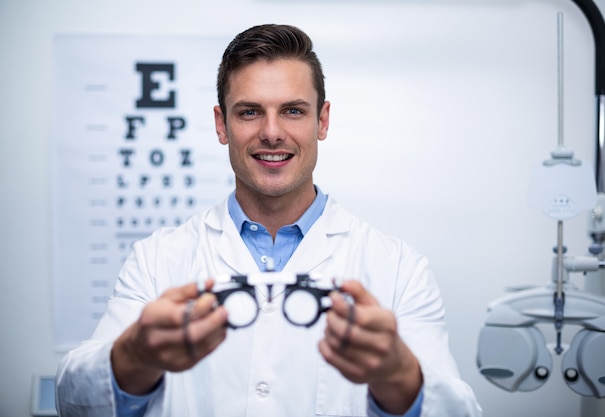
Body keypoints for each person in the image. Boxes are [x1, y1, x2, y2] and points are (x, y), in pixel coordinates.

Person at [55, 24, 482, 417]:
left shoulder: (399, 269)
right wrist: (135, 355)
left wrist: (398, 376)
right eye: (249, 112)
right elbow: (75, 401)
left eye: (293, 111)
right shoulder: (157, 259)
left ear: (323, 120)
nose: (272, 132)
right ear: (221, 124)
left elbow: (458, 409)